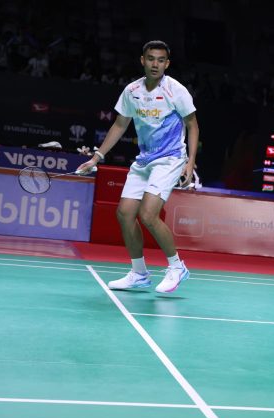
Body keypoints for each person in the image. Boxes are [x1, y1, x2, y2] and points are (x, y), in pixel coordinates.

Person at [78, 40, 199, 293]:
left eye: (161, 60)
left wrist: (189, 162)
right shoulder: (132, 90)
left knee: (148, 215)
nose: (155, 64)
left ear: (167, 63)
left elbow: (192, 125)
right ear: (143, 61)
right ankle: (139, 273)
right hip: (144, 159)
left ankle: (177, 267)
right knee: (124, 214)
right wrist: (97, 157)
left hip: (170, 158)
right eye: (151, 59)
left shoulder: (176, 90)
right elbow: (120, 125)